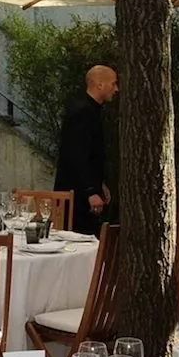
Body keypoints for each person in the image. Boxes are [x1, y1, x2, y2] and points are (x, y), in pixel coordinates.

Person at [54, 64, 117, 233]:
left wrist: (98, 183)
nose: (116, 89)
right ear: (99, 84)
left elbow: (90, 153)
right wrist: (90, 191)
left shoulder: (89, 110)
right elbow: (76, 154)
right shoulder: (83, 112)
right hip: (77, 197)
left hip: (81, 192)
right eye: (113, 83)